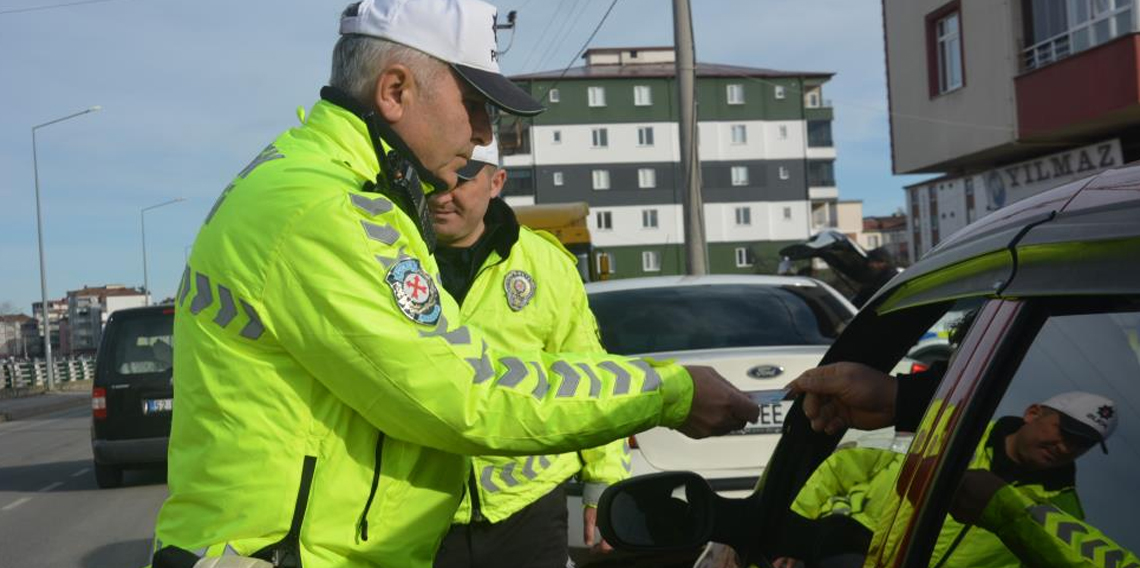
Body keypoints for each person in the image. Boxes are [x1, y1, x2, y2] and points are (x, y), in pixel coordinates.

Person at [149, 2, 758, 568]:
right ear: (394, 90)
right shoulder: (331, 210)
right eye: (472, 102)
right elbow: (471, 395)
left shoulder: (311, 182)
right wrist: (667, 392)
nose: (481, 132)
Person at [427, 141, 624, 568]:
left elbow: (589, 371)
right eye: (433, 178)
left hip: (528, 509)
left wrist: (605, 480)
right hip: (419, 511)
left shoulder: (545, 265)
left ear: (496, 182)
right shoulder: (390, 259)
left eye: (461, 179)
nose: (443, 194)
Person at [787, 367, 1136, 568]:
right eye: (1066, 431)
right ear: (1034, 413)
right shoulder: (950, 432)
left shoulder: (1065, 514)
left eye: (1083, 444)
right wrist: (792, 538)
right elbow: (845, 465)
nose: (1067, 447)